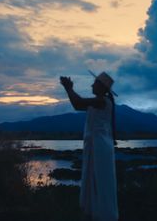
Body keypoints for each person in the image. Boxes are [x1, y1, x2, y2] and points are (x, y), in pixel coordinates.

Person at [60, 72, 119, 221]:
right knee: (98, 180)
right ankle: (95, 213)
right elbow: (78, 105)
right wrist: (69, 89)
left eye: (95, 83)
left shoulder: (102, 102)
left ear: (101, 87)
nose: (92, 85)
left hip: (99, 147)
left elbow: (78, 103)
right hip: (98, 146)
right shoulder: (100, 102)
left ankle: (102, 215)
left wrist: (68, 88)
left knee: (100, 181)